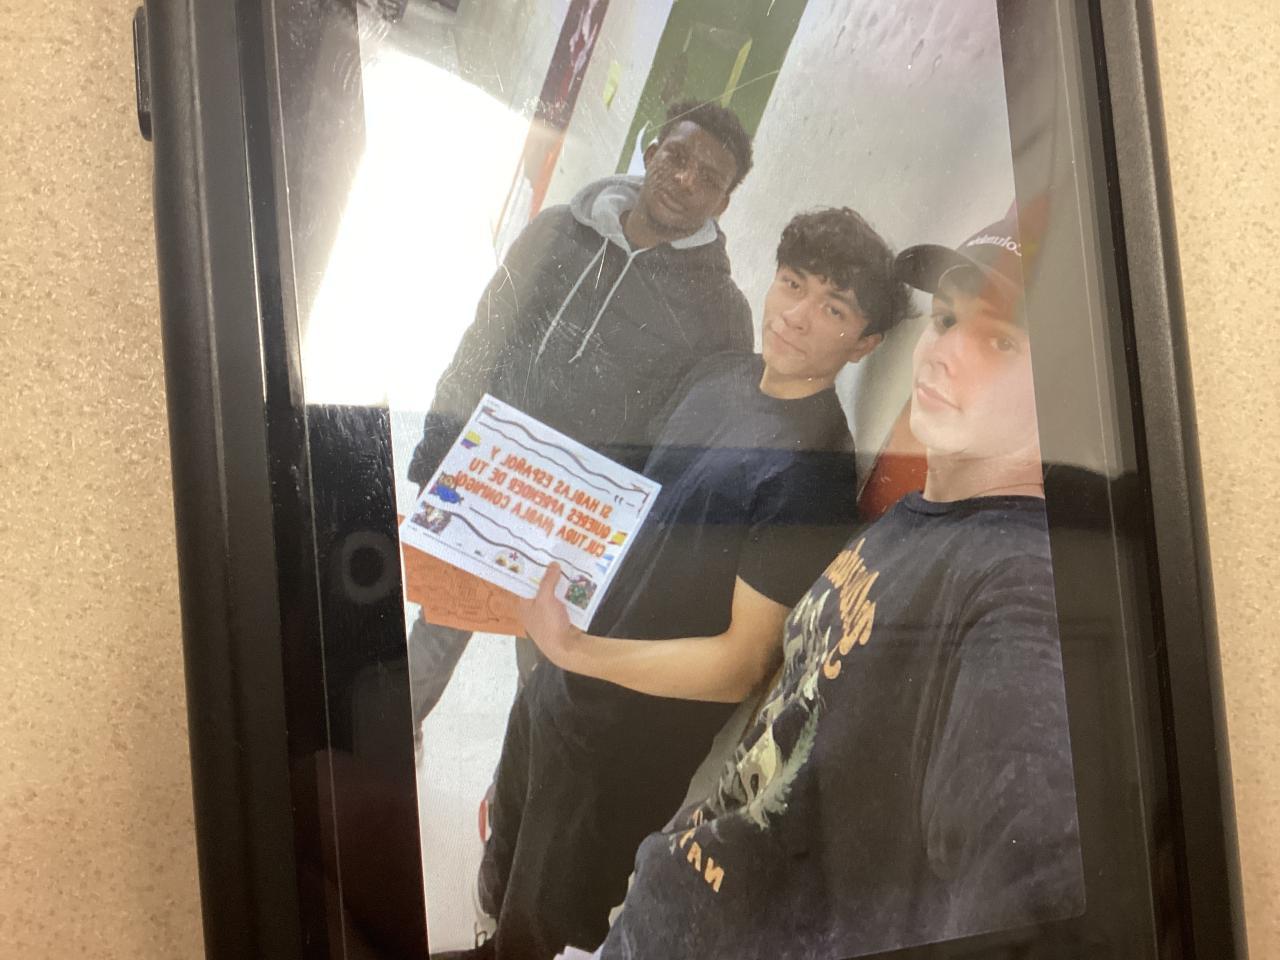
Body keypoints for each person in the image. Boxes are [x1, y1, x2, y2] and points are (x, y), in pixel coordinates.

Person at [559, 210, 1085, 960]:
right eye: (946, 319)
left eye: (1002, 341)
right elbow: (791, 723)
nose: (944, 354)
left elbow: (1039, 871)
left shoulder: (1018, 581)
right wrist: (668, 861)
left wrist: (577, 651)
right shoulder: (909, 520)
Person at [459, 208, 913, 960]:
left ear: (864, 343)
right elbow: (632, 503)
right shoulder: (723, 372)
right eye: (792, 283)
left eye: (833, 309)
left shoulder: (811, 474)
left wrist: (576, 652)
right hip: (558, 678)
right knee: (501, 856)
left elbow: (740, 664)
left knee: (534, 929)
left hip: (619, 745)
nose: (797, 316)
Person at [405, 100, 756, 727]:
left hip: (582, 531)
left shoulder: (723, 314)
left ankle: (517, 790)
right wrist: (440, 438)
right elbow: (485, 336)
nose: (684, 180)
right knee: (431, 639)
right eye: (677, 157)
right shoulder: (556, 232)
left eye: (708, 178)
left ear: (724, 203)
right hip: (490, 483)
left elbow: (690, 449)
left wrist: (634, 550)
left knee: (546, 693)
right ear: (652, 153)